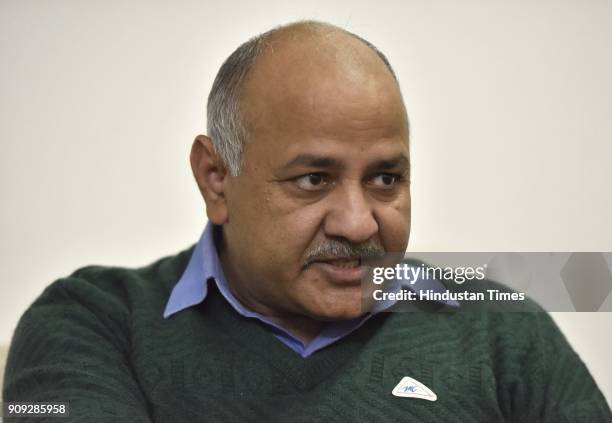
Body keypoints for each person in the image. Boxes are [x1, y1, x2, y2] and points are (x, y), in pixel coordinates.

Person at [3, 21, 611, 422]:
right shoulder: (94, 321)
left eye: (385, 179)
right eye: (313, 179)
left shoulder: (498, 329)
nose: (357, 222)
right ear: (216, 179)